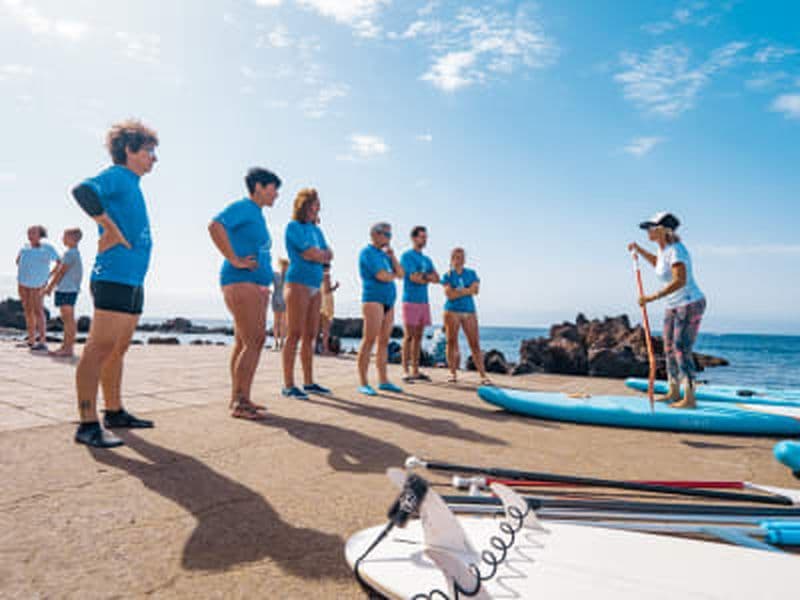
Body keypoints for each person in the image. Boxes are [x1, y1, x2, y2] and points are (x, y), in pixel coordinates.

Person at [71, 119, 158, 448]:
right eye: (149, 151)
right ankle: (87, 423)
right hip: (113, 276)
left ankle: (115, 411)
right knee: (99, 348)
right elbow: (83, 190)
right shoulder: (118, 176)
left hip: (133, 279)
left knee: (118, 350)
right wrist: (107, 226)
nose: (154, 158)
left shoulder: (133, 183)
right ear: (129, 151)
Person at [209, 167, 280, 420]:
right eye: (274, 188)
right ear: (259, 187)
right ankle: (240, 403)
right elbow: (215, 225)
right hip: (241, 280)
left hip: (254, 283)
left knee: (243, 342)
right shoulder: (244, 206)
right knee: (255, 340)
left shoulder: (257, 214)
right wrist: (234, 259)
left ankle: (240, 397)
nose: (277, 194)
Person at [629, 212, 706, 409]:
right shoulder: (664, 251)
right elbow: (659, 265)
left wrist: (652, 297)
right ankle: (673, 391)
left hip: (689, 303)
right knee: (669, 349)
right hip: (673, 304)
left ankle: (689, 397)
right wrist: (639, 250)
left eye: (651, 228)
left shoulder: (677, 250)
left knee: (681, 348)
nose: (648, 231)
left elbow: (679, 280)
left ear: (663, 230)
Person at [281, 188, 332, 399]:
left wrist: (318, 255)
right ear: (304, 205)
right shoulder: (293, 227)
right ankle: (288, 385)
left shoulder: (316, 230)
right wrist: (318, 255)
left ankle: (309, 382)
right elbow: (311, 253)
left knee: (311, 335)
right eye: (313, 203)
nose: (316, 207)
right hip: (298, 283)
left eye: (318, 203)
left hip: (315, 285)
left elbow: (328, 254)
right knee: (294, 334)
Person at [357, 222, 405, 396]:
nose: (389, 238)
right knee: (369, 339)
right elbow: (381, 276)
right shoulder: (367, 253)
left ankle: (383, 380)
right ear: (375, 234)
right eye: (386, 234)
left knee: (384, 341)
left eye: (390, 235)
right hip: (373, 299)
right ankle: (363, 381)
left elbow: (401, 274)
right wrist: (392, 275)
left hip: (389, 301)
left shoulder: (385, 255)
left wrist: (392, 257)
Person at [441, 247, 490, 385]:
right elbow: (449, 294)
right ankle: (452, 373)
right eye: (456, 257)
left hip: (469, 311)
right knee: (451, 342)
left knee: (474, 343)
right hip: (451, 311)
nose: (459, 260)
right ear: (452, 259)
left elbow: (476, 290)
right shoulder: (447, 275)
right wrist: (466, 290)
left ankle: (483, 375)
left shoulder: (471, 273)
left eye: (461, 257)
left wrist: (459, 291)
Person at [400, 226, 438, 383]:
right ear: (414, 238)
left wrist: (424, 277)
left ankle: (415, 370)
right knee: (408, 336)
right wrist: (425, 277)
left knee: (419, 337)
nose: (424, 240)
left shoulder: (427, 259)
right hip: (410, 300)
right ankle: (405, 371)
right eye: (422, 237)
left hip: (424, 301)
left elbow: (436, 278)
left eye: (426, 237)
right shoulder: (407, 256)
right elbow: (413, 277)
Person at [16, 225, 60, 351]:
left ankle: (42, 342)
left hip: (38, 283)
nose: (30, 234)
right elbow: (18, 260)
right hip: (23, 282)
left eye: (33, 232)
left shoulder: (47, 248)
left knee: (38, 310)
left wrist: (49, 276)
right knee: (27, 310)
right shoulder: (25, 246)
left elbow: (59, 262)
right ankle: (30, 340)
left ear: (40, 234)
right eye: (29, 232)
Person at [44, 228, 84, 357]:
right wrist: (47, 277)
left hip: (67, 289)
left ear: (72, 239)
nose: (62, 238)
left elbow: (61, 272)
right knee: (67, 319)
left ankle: (68, 349)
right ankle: (66, 347)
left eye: (64, 236)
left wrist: (50, 287)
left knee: (68, 320)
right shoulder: (71, 253)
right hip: (68, 289)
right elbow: (58, 269)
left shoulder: (70, 254)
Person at [319, 265, 339, 355]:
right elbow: (327, 290)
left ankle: (316, 348)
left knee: (318, 327)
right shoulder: (326, 275)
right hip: (327, 302)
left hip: (320, 301)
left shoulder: (317, 275)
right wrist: (335, 287)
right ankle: (325, 349)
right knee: (326, 328)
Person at [271, 258, 288, 351]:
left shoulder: (290, 276)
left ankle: (282, 342)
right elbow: (266, 281)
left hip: (285, 300)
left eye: (286, 265)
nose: (284, 267)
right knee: (276, 321)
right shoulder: (275, 275)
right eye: (283, 265)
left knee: (283, 322)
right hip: (276, 299)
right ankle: (276, 342)